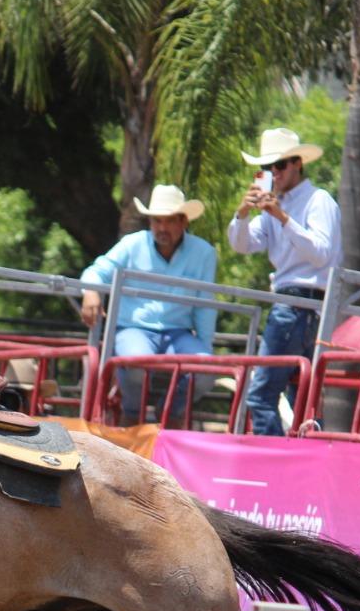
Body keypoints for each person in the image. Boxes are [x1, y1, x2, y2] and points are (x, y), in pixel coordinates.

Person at [228, 128, 342, 435]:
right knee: (302, 401)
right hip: (300, 307)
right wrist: (242, 212)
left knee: (262, 396)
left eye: (277, 166)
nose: (272, 174)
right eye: (266, 168)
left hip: (298, 305)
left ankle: (273, 461)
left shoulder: (319, 201)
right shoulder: (274, 207)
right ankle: (307, 464)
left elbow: (321, 253)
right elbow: (241, 244)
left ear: (297, 164)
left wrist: (281, 217)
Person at [78, 185, 218, 425]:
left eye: (169, 221)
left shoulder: (204, 252)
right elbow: (96, 271)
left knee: (206, 372)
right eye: (156, 221)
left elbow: (205, 305)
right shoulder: (132, 244)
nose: (162, 228)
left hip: (178, 333)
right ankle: (133, 417)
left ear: (183, 221)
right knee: (135, 363)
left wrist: (206, 352)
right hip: (133, 329)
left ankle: (168, 415)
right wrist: (90, 291)